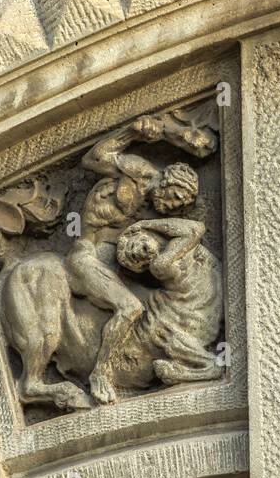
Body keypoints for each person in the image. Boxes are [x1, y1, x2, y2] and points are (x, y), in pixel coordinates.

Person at [66, 112, 212, 403]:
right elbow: (93, 159)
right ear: (167, 180)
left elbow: (191, 230)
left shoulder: (153, 211)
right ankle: (100, 372)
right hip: (85, 255)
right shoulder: (138, 173)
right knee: (131, 308)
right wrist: (131, 133)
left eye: (178, 205)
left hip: (108, 257)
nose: (171, 206)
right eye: (173, 197)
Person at [115, 218, 224, 384]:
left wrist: (144, 225)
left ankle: (202, 366)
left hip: (203, 303)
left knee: (166, 331)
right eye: (133, 258)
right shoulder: (160, 265)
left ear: (142, 235)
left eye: (133, 244)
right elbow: (194, 229)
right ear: (141, 267)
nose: (137, 251)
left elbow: (196, 229)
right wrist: (145, 225)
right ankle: (202, 367)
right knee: (168, 335)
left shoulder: (170, 249)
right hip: (197, 309)